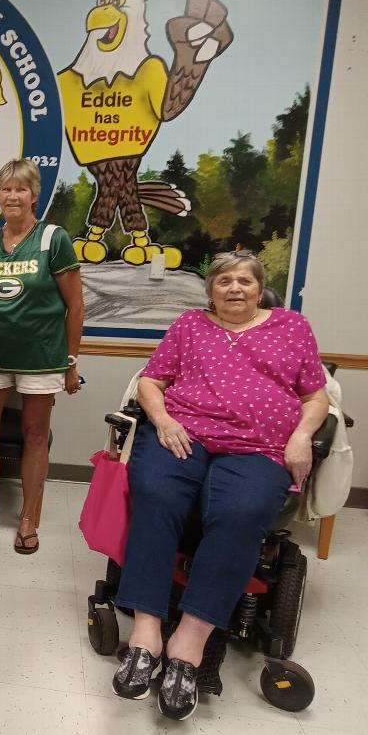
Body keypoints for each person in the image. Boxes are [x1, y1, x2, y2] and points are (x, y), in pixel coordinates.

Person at [111, 250, 328, 720]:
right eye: (224, 280)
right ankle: (146, 635)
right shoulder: (190, 325)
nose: (235, 288)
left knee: (241, 513)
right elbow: (151, 381)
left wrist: (301, 436)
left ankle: (188, 646)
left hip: (259, 445)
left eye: (245, 281)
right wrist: (162, 419)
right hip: (183, 433)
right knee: (156, 496)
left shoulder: (291, 326)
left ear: (260, 288)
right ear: (210, 291)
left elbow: (315, 396)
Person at [0, 158, 84, 554]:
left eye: (21, 189)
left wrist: (71, 361)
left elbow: (76, 306)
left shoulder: (53, 239)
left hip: (41, 357)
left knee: (35, 434)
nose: (13, 196)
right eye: (6, 189)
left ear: (34, 195)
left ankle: (29, 518)